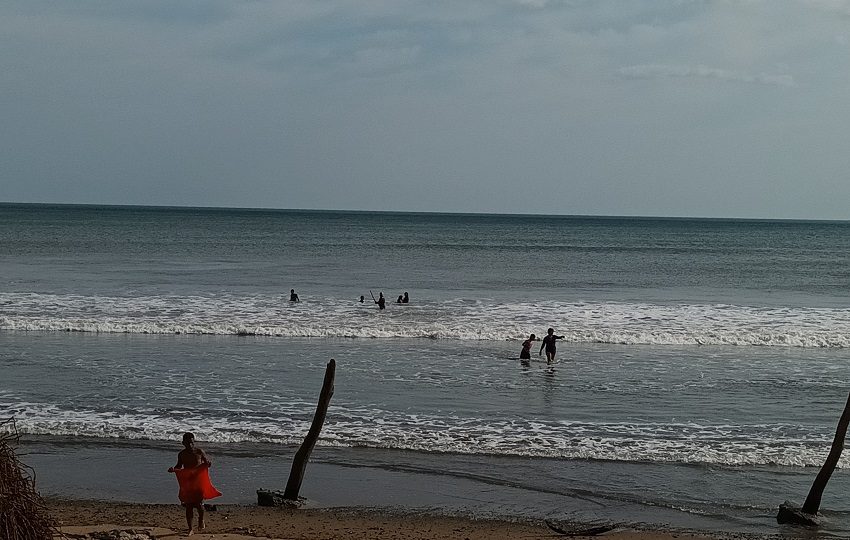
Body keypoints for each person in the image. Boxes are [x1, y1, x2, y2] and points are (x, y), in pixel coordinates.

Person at [168, 432, 219, 536]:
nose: (190, 445)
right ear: (183, 443)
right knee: (188, 505)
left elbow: (206, 462)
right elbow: (178, 466)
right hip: (188, 481)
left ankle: (201, 519)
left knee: (199, 504)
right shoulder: (182, 454)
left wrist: (208, 464)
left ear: (194, 442)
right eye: (187, 443)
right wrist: (173, 469)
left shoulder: (199, 452)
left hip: (198, 480)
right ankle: (190, 529)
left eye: (191, 442)